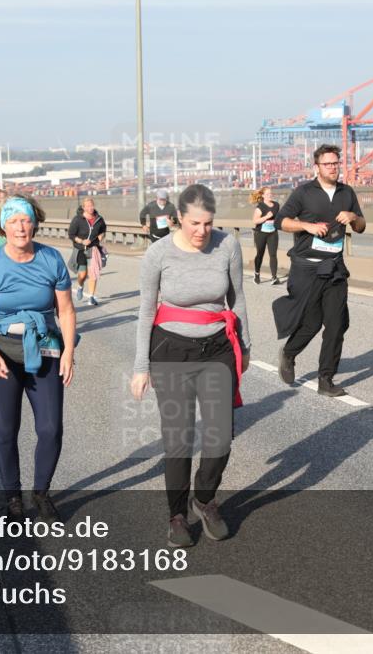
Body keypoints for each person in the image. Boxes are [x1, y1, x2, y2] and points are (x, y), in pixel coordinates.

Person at [130, 184, 250, 548]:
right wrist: (140, 366)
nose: (202, 231)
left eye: (208, 223)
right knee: (178, 439)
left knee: (220, 438)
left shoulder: (227, 245)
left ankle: (205, 500)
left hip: (216, 348)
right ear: (179, 218)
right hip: (171, 350)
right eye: (195, 223)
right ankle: (177, 515)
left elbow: (237, 298)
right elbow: (146, 310)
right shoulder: (158, 253)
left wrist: (244, 348)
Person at [0, 195, 76, 522]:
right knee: (5, 429)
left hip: (44, 349)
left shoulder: (51, 259)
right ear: (3, 226)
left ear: (35, 223)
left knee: (51, 428)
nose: (20, 227)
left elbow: (66, 311)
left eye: (26, 220)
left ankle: (40, 494)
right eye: (13, 221)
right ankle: (12, 498)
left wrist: (69, 350)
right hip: (2, 352)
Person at [272, 144, 366, 397]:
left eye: (336, 163)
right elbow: (280, 221)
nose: (333, 168)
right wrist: (307, 226)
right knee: (311, 323)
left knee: (336, 325)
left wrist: (353, 218)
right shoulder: (303, 192)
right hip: (307, 270)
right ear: (317, 167)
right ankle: (289, 353)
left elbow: (362, 226)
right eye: (328, 164)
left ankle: (326, 379)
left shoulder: (347, 193)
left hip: (335, 268)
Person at [67, 197, 107, 306]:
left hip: (93, 249)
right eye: (88, 206)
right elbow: (71, 234)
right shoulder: (78, 219)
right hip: (80, 249)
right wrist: (81, 241)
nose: (90, 208)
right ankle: (80, 286)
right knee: (83, 274)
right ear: (83, 207)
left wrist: (101, 236)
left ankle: (91, 297)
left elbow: (103, 230)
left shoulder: (99, 219)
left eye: (92, 205)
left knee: (93, 273)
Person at [250, 187, 281, 285]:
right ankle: (257, 274)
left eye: (271, 193)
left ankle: (274, 277)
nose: (270, 195)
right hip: (261, 234)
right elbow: (255, 221)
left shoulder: (276, 205)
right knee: (260, 254)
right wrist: (267, 217)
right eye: (267, 194)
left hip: (273, 233)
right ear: (263, 196)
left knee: (273, 255)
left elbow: (278, 217)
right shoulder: (260, 207)